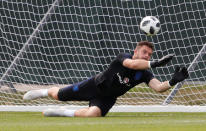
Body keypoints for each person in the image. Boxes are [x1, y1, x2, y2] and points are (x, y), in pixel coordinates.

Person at [23, 41, 189, 117]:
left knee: (92, 114)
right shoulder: (123, 57)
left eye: (150, 55)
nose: (147, 56)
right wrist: (154, 63)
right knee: (58, 95)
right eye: (145, 53)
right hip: (94, 85)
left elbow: (159, 87)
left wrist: (173, 81)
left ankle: (60, 113)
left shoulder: (145, 73)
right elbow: (131, 64)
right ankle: (43, 91)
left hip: (108, 98)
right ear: (135, 51)